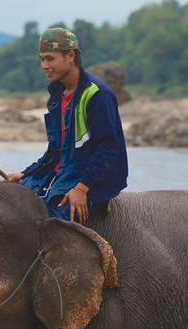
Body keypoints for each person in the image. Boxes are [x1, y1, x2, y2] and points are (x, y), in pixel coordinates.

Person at [7, 27, 128, 224]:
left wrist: (82, 188)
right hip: (57, 174)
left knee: (48, 226)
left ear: (70, 55)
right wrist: (26, 173)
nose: (44, 65)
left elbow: (109, 148)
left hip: (86, 178)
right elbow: (55, 151)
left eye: (50, 58)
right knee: (9, 204)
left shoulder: (98, 94)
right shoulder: (57, 96)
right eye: (42, 59)